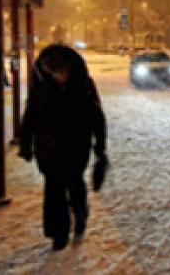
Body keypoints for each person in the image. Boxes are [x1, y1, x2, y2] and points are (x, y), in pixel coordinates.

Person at [19, 44, 107, 251]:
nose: (59, 77)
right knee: (54, 190)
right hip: (48, 147)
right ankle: (59, 233)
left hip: (76, 146)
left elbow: (97, 117)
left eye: (62, 72)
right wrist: (25, 144)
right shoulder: (41, 87)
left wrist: (100, 145)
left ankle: (80, 213)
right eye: (55, 72)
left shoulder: (84, 85)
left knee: (75, 184)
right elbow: (30, 116)